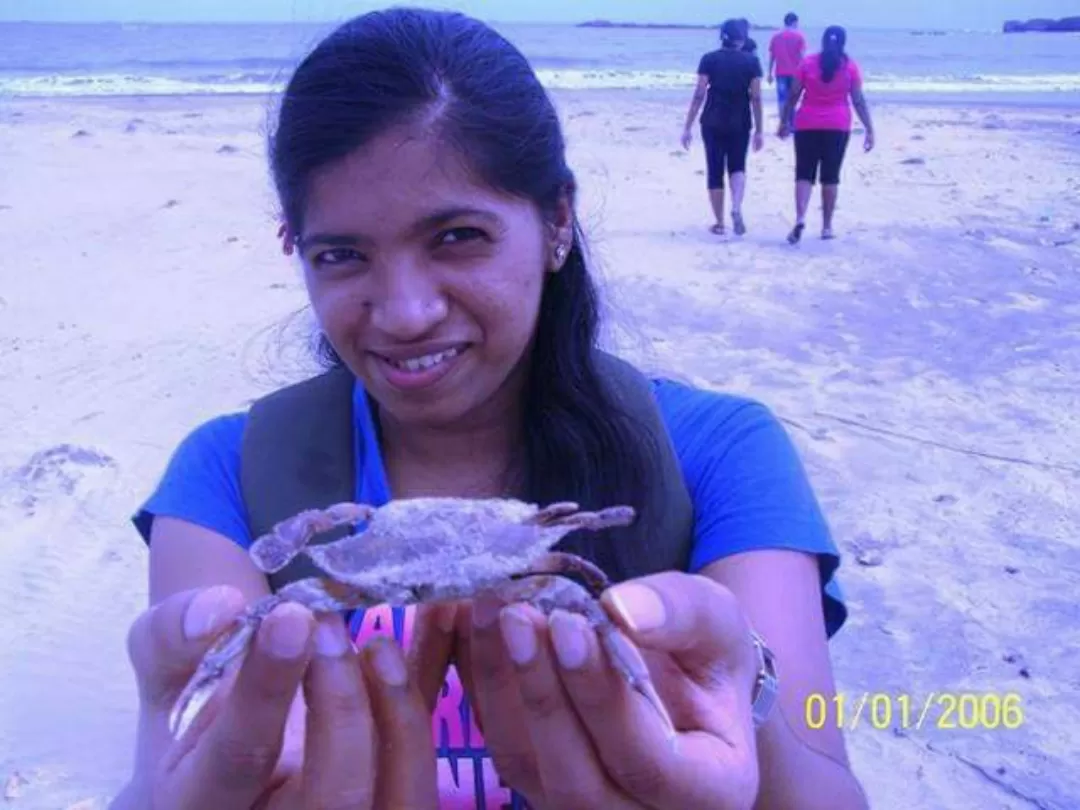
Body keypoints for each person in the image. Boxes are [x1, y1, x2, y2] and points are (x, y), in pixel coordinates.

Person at [116, 8, 870, 810]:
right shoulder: (226, 475)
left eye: (457, 237)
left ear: (557, 222)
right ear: (295, 252)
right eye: (341, 255)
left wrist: (744, 688)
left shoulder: (721, 453)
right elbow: (166, 763)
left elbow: (828, 790)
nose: (404, 312)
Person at [778, 25, 875, 243]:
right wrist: (869, 128)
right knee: (830, 177)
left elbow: (793, 95)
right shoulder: (850, 67)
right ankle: (827, 226)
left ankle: (801, 217)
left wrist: (784, 121)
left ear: (822, 41)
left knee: (804, 174)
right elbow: (858, 100)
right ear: (843, 42)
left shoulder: (808, 63)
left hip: (806, 124)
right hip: (837, 125)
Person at [681, 19, 765, 237]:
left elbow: (699, 94)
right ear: (741, 39)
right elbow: (756, 97)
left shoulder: (709, 59)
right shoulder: (752, 62)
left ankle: (719, 222)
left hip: (712, 120)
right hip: (740, 121)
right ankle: (736, 207)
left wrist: (688, 125)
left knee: (715, 169)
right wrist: (759, 129)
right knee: (738, 166)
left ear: (722, 37)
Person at [768, 12, 807, 130]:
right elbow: (802, 57)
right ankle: (793, 125)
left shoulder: (776, 37)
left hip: (780, 73)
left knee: (782, 100)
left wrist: (769, 73)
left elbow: (772, 56)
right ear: (795, 22)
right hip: (796, 74)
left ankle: (783, 125)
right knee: (793, 99)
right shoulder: (799, 36)